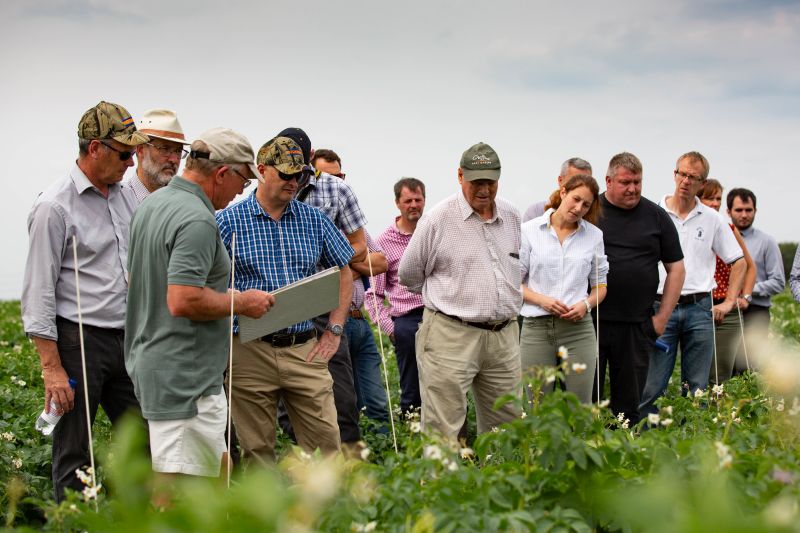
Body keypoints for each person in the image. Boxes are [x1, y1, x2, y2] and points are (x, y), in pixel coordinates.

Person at [125, 128, 273, 492]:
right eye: (242, 179)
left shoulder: (153, 204)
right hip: (186, 378)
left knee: (215, 473)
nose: (243, 190)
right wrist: (242, 302)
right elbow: (182, 299)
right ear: (222, 173)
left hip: (162, 365)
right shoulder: (197, 219)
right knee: (178, 493)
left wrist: (221, 294)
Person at [21, 101, 148, 501]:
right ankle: (75, 524)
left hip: (127, 339)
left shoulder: (128, 199)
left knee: (144, 440)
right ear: (95, 149)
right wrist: (52, 369)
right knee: (75, 451)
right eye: (125, 153)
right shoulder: (54, 206)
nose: (131, 163)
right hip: (78, 341)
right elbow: (38, 292)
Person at [215, 137, 354, 464]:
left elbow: (344, 272)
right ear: (262, 171)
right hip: (248, 350)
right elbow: (207, 282)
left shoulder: (314, 220)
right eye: (287, 175)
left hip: (304, 348)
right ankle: (263, 515)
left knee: (328, 444)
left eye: (301, 176)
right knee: (256, 451)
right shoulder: (228, 222)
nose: (294, 183)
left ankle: (330, 513)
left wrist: (334, 331)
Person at [399, 142, 522, 440]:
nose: (484, 189)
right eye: (476, 181)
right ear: (460, 176)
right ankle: (444, 486)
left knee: (507, 428)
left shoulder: (512, 216)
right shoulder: (438, 219)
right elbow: (409, 274)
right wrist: (451, 295)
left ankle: (498, 484)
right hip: (451, 335)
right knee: (444, 428)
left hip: (503, 336)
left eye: (490, 182)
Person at [274, 128, 366, 452]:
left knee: (340, 388)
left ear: (309, 159)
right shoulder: (269, 192)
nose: (291, 174)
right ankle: (308, 459)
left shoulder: (336, 190)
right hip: (282, 305)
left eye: (297, 165)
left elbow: (360, 247)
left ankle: (351, 460)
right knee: (287, 393)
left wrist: (325, 256)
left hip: (325, 302)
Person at [640, 151, 745, 417]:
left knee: (697, 387)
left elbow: (739, 261)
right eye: (682, 174)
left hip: (700, 307)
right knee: (652, 385)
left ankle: (692, 445)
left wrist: (730, 301)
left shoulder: (713, 219)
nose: (685, 181)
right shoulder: (654, 212)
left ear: (702, 183)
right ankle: (644, 444)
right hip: (661, 305)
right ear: (674, 175)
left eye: (693, 177)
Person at [594, 152, 685, 425]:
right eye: (625, 182)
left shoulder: (656, 217)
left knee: (628, 406)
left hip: (636, 326)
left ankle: (625, 459)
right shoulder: (591, 211)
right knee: (587, 400)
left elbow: (676, 269)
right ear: (608, 181)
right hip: (592, 321)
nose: (632, 188)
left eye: (637, 182)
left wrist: (662, 319)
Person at [310, 148, 390, 427]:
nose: (337, 184)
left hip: (359, 320)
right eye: (329, 177)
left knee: (376, 399)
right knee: (341, 398)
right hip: (331, 318)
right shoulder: (314, 224)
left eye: (340, 176)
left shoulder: (357, 226)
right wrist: (355, 260)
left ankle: (378, 456)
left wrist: (341, 262)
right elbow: (320, 264)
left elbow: (381, 262)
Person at [520, 175, 608, 403]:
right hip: (537, 329)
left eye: (586, 205)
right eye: (575, 199)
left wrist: (586, 304)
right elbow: (514, 283)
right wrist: (542, 300)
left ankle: (579, 440)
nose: (579, 208)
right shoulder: (529, 230)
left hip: (578, 329)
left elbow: (601, 285)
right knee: (536, 404)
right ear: (563, 193)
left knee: (580, 406)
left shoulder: (594, 236)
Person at [365, 178, 427, 414]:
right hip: (407, 321)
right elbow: (373, 294)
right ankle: (412, 435)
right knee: (411, 386)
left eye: (418, 200)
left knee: (446, 382)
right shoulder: (383, 242)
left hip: (439, 315)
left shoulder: (432, 231)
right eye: (408, 200)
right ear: (397, 203)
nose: (413, 205)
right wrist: (391, 329)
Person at [696, 179, 756, 384]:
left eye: (718, 199)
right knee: (695, 374)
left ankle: (717, 415)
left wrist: (745, 296)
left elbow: (749, 266)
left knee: (719, 375)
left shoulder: (729, 229)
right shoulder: (688, 229)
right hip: (696, 306)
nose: (714, 203)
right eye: (709, 198)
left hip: (725, 308)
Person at [727, 188, 785, 372]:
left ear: (755, 211)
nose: (744, 215)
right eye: (738, 210)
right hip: (728, 308)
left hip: (756, 311)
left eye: (748, 210)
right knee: (726, 365)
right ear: (728, 211)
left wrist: (747, 290)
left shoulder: (767, 241)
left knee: (747, 365)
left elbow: (778, 282)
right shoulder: (723, 237)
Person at [127, 109, 190, 203]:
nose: (173, 159)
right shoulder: (115, 200)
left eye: (178, 151)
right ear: (140, 150)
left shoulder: (183, 205)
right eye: (165, 149)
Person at [522, 157, 592, 222]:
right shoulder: (536, 212)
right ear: (560, 180)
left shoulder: (595, 216)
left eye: (586, 183)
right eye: (574, 182)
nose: (580, 188)